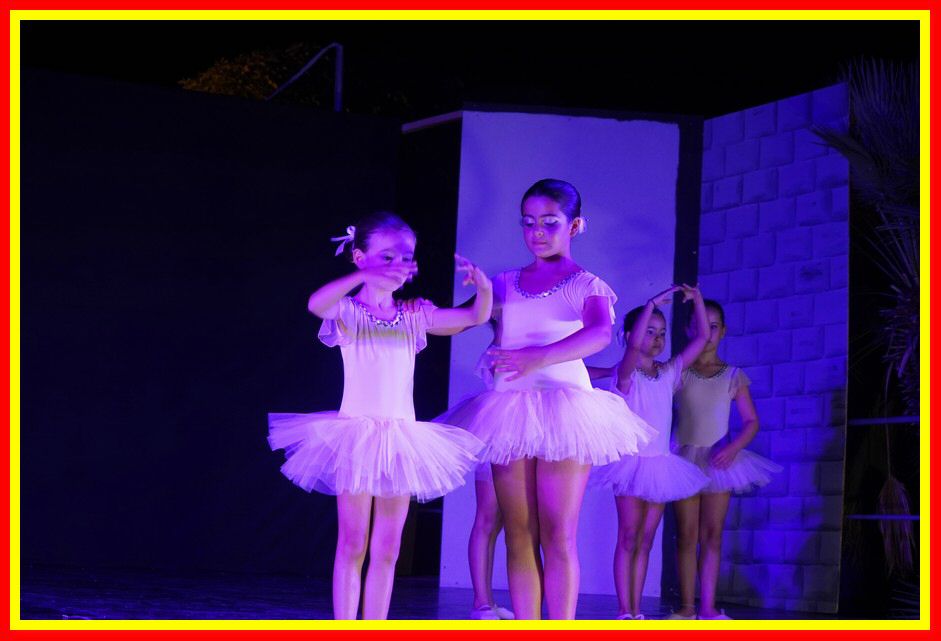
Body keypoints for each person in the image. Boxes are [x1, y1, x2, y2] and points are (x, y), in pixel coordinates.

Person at [438, 179, 655, 619]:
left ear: (574, 226)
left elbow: (598, 334)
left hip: (565, 411)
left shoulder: (586, 285)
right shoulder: (505, 283)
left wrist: (537, 356)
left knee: (558, 533)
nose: (537, 231)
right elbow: (462, 318)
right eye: (528, 222)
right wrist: (401, 314)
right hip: (510, 411)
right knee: (519, 532)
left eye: (549, 222)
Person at [267, 211, 491, 620]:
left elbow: (473, 317)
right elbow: (317, 304)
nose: (397, 266)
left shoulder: (413, 315)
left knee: (388, 548)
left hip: (401, 439)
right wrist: (363, 275)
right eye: (386, 257)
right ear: (359, 257)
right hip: (356, 436)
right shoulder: (350, 313)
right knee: (353, 542)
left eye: (404, 258)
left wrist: (485, 290)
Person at [589, 284, 710, 620]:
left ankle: (636, 609)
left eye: (662, 333)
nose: (657, 339)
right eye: (650, 331)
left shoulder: (669, 373)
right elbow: (631, 350)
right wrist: (650, 304)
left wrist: (698, 300)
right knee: (628, 536)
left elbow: (702, 338)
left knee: (645, 540)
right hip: (630, 464)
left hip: (659, 465)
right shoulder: (625, 375)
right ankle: (623, 610)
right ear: (631, 335)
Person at [669, 299, 782, 620]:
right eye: (700, 326)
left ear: (723, 331)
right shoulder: (679, 372)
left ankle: (707, 607)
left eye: (714, 326)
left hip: (720, 461)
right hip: (685, 459)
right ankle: (687, 607)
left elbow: (751, 421)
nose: (707, 333)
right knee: (686, 534)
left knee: (712, 535)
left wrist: (733, 448)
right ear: (690, 329)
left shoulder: (733, 375)